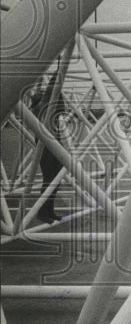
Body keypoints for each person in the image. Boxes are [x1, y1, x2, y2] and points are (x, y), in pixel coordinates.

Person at [28, 81, 68, 224]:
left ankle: (49, 211)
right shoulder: (39, 110)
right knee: (49, 181)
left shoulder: (45, 110)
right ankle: (43, 213)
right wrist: (57, 77)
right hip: (46, 148)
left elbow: (61, 106)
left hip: (53, 146)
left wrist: (58, 87)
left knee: (54, 182)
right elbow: (52, 101)